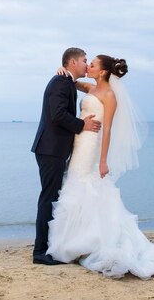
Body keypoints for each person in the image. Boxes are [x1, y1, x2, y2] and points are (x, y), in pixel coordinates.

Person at [46, 54, 154, 279]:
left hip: (91, 146)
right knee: (74, 184)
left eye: (93, 65)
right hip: (79, 143)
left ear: (103, 72)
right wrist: (62, 69)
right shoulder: (91, 89)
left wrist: (104, 160)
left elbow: (107, 129)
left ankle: (86, 242)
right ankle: (76, 242)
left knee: (84, 183)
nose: (89, 66)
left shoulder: (109, 95)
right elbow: (73, 81)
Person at [31, 47, 102, 266]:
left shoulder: (66, 81)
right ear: (72, 62)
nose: (86, 64)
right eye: (83, 60)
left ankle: (51, 245)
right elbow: (58, 114)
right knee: (48, 198)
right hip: (50, 149)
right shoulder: (60, 82)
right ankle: (40, 251)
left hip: (55, 149)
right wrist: (83, 124)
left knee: (53, 197)